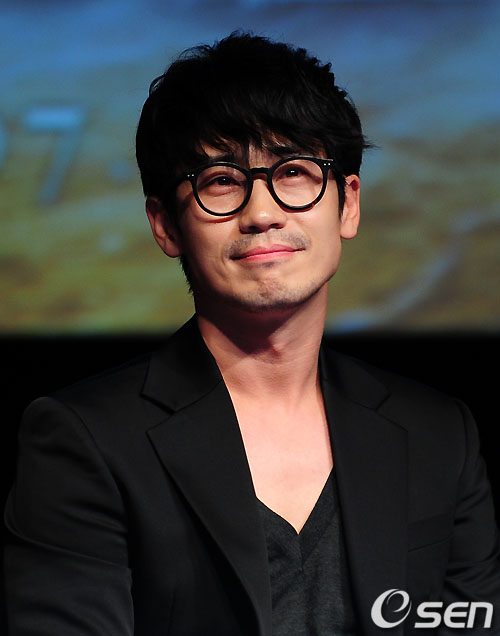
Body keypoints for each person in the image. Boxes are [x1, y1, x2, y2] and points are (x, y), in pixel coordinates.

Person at [4, 32, 499, 636]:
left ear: (347, 204)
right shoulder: (86, 441)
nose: (261, 213)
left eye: (293, 172)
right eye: (221, 180)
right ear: (165, 225)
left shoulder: (439, 435)